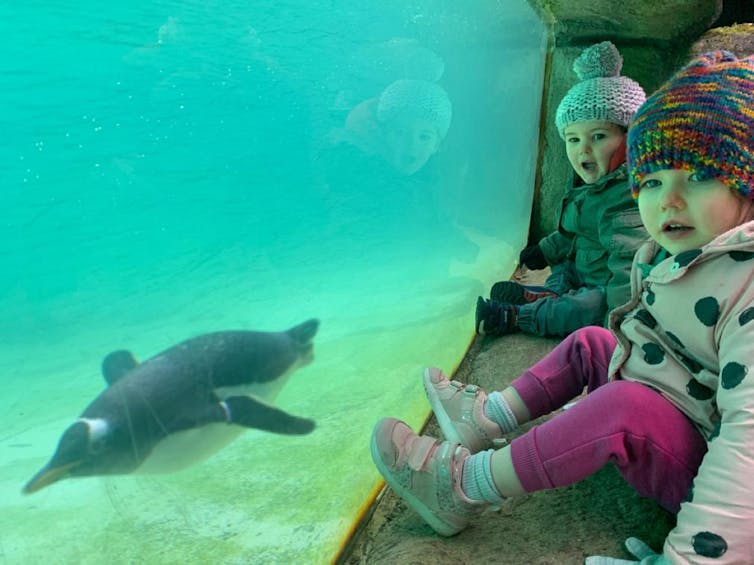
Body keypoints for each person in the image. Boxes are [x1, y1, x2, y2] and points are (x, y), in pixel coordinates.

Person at [371, 50, 754, 563]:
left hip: (718, 472)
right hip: (688, 404)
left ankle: (461, 486)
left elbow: (747, 446)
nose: (668, 200)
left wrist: (691, 557)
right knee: (596, 343)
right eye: (654, 180)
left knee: (625, 407)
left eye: (699, 177)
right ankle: (488, 417)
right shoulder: (687, 248)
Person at [476, 41, 649, 338]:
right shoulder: (588, 185)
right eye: (573, 139)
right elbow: (571, 233)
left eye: (597, 136)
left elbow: (627, 269)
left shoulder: (627, 199)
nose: (583, 150)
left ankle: (517, 316)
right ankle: (548, 297)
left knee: (588, 307)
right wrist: (544, 251)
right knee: (561, 272)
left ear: (630, 138)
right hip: (578, 271)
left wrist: (621, 321)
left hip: (603, 289)